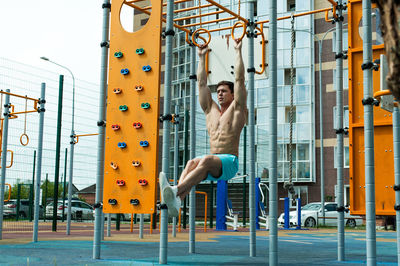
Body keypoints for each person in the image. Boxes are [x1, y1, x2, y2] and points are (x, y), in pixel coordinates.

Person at [160, 39, 248, 217]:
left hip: (229, 163)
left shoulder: (238, 108)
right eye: (219, 91)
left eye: (224, 91)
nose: (220, 93)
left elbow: (239, 79)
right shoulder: (210, 110)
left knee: (206, 159)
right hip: (213, 163)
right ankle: (178, 199)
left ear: (233, 94)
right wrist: (201, 57)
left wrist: (238, 50)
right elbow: (201, 84)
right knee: (192, 162)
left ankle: (176, 190)